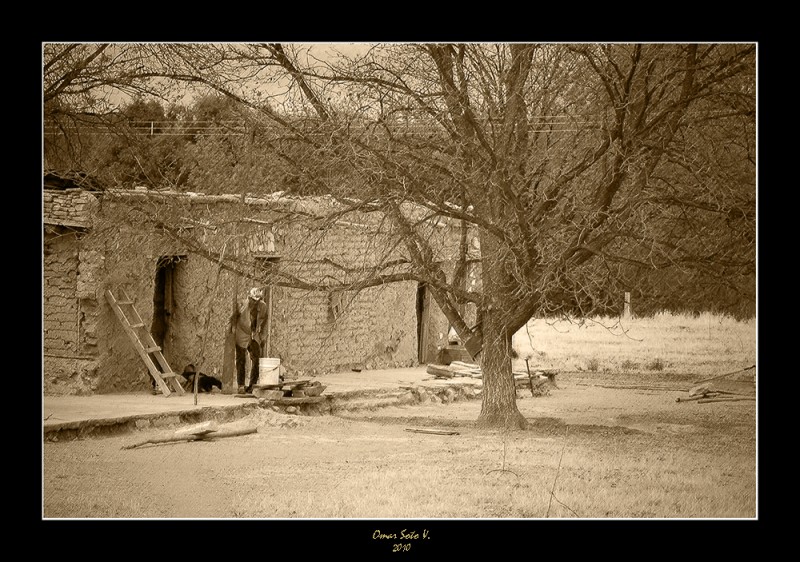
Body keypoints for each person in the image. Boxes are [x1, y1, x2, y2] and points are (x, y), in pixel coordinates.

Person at [232, 287, 269, 394]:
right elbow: (234, 319)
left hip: (254, 334)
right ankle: (241, 385)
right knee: (240, 359)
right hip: (242, 333)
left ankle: (252, 385)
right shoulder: (243, 305)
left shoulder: (263, 307)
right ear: (250, 298)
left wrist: (262, 336)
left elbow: (265, 322)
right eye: (253, 300)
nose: (255, 302)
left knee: (257, 359)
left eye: (258, 300)